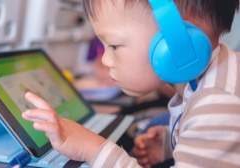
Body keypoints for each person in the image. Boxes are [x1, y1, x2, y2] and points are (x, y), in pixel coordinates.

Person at [22, 0, 240, 167]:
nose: (106, 60)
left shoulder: (217, 103)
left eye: (114, 45)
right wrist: (171, 142)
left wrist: (91, 148)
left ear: (178, 37)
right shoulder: (210, 82)